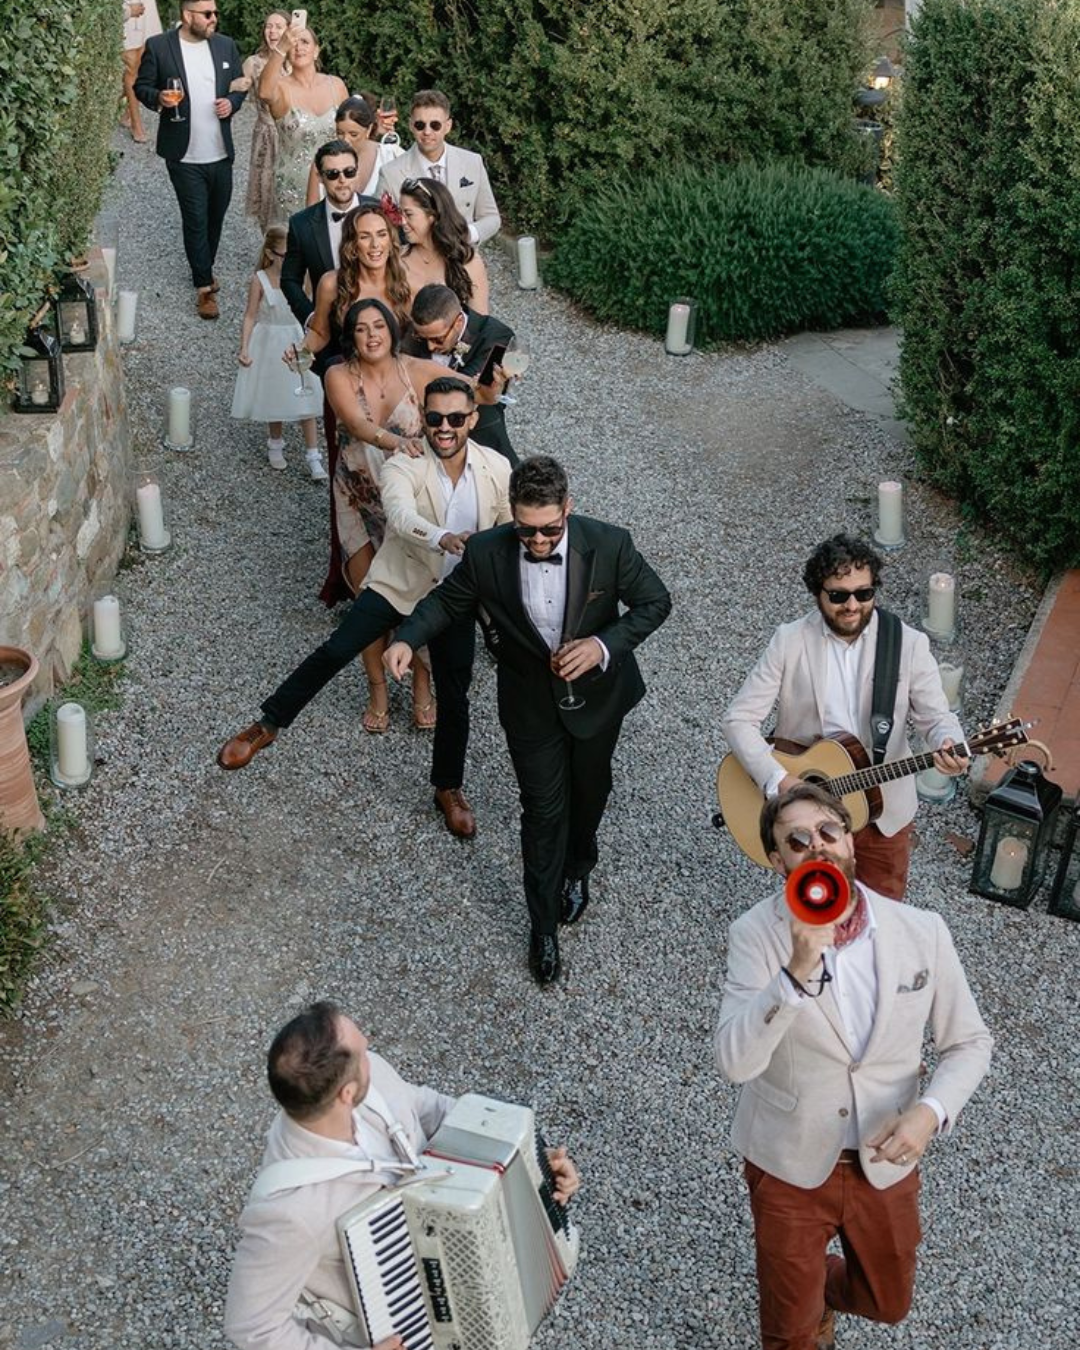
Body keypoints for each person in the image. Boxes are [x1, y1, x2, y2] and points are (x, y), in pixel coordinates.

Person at [714, 782, 992, 1350]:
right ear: (777, 860)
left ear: (850, 840)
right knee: (789, 1335)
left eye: (827, 831)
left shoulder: (923, 932)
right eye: (795, 840)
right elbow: (734, 1063)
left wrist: (929, 1115)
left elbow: (970, 1042)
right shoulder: (753, 936)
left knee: (887, 1303)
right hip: (787, 1162)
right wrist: (793, 973)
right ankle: (801, 1308)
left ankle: (819, 1294)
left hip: (884, 1159)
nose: (815, 846)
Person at [385, 456, 671, 984]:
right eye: (525, 530)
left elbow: (656, 603)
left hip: (599, 699)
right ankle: (542, 928)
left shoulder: (610, 544)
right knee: (541, 811)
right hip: (528, 704)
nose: (537, 542)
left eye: (549, 530)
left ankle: (579, 867)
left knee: (591, 794)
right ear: (512, 516)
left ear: (569, 507)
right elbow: (447, 602)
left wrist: (603, 646)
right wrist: (406, 638)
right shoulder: (488, 553)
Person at [216, 377, 512, 839]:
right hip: (398, 584)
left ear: (473, 418)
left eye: (456, 418)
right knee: (337, 649)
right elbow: (399, 515)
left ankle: (448, 788)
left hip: (453, 597)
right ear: (425, 419)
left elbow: (509, 531)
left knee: (456, 695)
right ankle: (267, 724)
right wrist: (444, 537)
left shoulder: (497, 468)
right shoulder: (405, 461)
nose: (445, 428)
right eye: (435, 418)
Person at [224, 1001, 579, 1350]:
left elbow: (430, 1110)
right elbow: (253, 1326)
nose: (370, 1050)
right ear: (346, 1094)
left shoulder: (371, 1077)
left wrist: (533, 1165)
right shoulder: (288, 1213)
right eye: (362, 1052)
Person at [721, 533, 968, 900]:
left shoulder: (908, 644)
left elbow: (936, 717)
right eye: (838, 595)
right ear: (817, 593)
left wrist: (949, 742)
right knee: (814, 909)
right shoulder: (789, 641)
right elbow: (738, 719)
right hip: (807, 810)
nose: (852, 605)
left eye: (864, 593)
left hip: (883, 812)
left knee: (882, 917)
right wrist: (779, 780)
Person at [321, 298, 446, 729]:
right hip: (357, 496)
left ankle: (422, 687)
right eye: (362, 328)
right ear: (351, 336)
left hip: (409, 504)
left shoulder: (416, 369)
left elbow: (472, 391)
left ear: (392, 331)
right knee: (369, 597)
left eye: (379, 326)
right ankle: (377, 687)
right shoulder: (337, 374)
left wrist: (496, 379)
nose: (372, 334)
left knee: (420, 592)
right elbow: (356, 425)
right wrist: (396, 443)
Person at [134, 0, 248, 320]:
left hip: (221, 152)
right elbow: (141, 86)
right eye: (208, 14)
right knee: (195, 217)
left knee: (216, 216)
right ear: (187, 16)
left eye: (215, 13)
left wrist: (233, 102)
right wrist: (158, 98)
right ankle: (204, 288)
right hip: (183, 154)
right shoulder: (159, 46)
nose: (214, 18)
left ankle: (203, 266)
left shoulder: (226, 45)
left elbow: (240, 85)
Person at [231, 225, 327, 479]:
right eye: (286, 255)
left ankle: (314, 455)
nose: (291, 260)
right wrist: (244, 347)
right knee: (274, 392)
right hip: (270, 341)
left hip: (296, 337)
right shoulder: (260, 279)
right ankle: (275, 443)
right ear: (272, 254)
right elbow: (250, 315)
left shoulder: (301, 277)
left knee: (306, 395)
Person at [407, 283, 515, 465]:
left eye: (437, 339)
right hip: (421, 445)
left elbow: (477, 390)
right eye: (422, 339)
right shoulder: (409, 337)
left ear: (458, 322)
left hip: (480, 438)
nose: (430, 347)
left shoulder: (496, 336)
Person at [377, 89, 500, 246]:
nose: (427, 132)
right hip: (416, 264)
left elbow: (491, 217)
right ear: (410, 125)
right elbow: (380, 226)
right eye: (420, 125)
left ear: (448, 126)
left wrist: (467, 234)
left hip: (463, 259)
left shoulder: (472, 162)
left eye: (435, 125)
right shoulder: (391, 173)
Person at [258, 21, 348, 222]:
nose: (298, 47)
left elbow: (352, 131)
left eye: (305, 42)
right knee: (297, 246)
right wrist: (280, 48)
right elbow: (263, 92)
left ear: (316, 51)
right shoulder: (280, 87)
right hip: (293, 187)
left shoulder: (337, 85)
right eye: (293, 43)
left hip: (335, 183)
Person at [400, 177, 489, 314]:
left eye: (408, 214)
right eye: (401, 214)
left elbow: (480, 322)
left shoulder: (467, 261)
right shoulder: (398, 259)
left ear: (433, 215)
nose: (402, 222)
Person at [240, 10, 290, 232]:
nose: (272, 31)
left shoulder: (298, 61)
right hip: (266, 136)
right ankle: (270, 246)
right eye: (269, 26)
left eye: (279, 26)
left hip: (291, 135)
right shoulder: (254, 62)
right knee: (267, 193)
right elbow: (236, 89)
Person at [305, 98, 380, 205]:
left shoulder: (389, 155)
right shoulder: (323, 159)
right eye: (340, 133)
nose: (345, 140)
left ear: (369, 129)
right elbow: (311, 210)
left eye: (353, 134)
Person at [121, 0, 162, 144]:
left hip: (147, 9)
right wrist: (127, 10)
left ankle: (126, 113)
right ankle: (136, 125)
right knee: (132, 67)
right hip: (128, 10)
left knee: (145, 63)